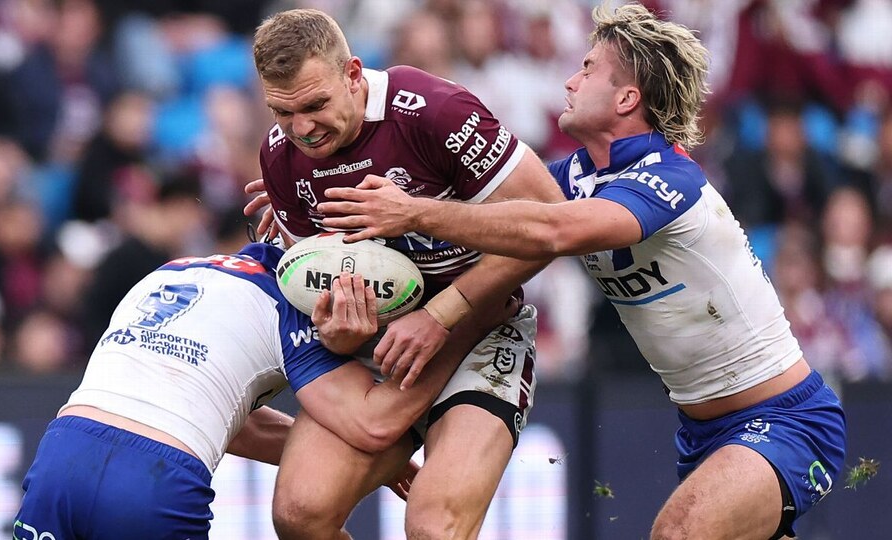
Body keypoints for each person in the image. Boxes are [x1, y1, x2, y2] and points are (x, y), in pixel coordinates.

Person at [317, 4, 847, 539]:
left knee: (678, 533)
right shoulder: (574, 175)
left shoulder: (671, 179)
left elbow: (549, 232)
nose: (570, 80)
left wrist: (415, 210)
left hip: (786, 419)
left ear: (626, 98)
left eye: (588, 68)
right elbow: (483, 213)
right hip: (703, 431)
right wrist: (310, 190)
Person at [246, 8, 566, 539]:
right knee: (301, 515)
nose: (302, 130)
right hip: (385, 345)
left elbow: (550, 223)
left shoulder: (432, 111)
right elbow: (317, 288)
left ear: (352, 74)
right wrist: (338, 331)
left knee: (434, 526)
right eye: (283, 113)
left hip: (483, 327)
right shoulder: (281, 159)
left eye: (315, 105)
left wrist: (443, 313)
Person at [13, 242, 510, 539]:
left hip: (64, 451)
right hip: (157, 477)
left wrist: (379, 469)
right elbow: (371, 422)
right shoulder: (289, 302)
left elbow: (223, 414)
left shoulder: (174, 268)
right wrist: (460, 323)